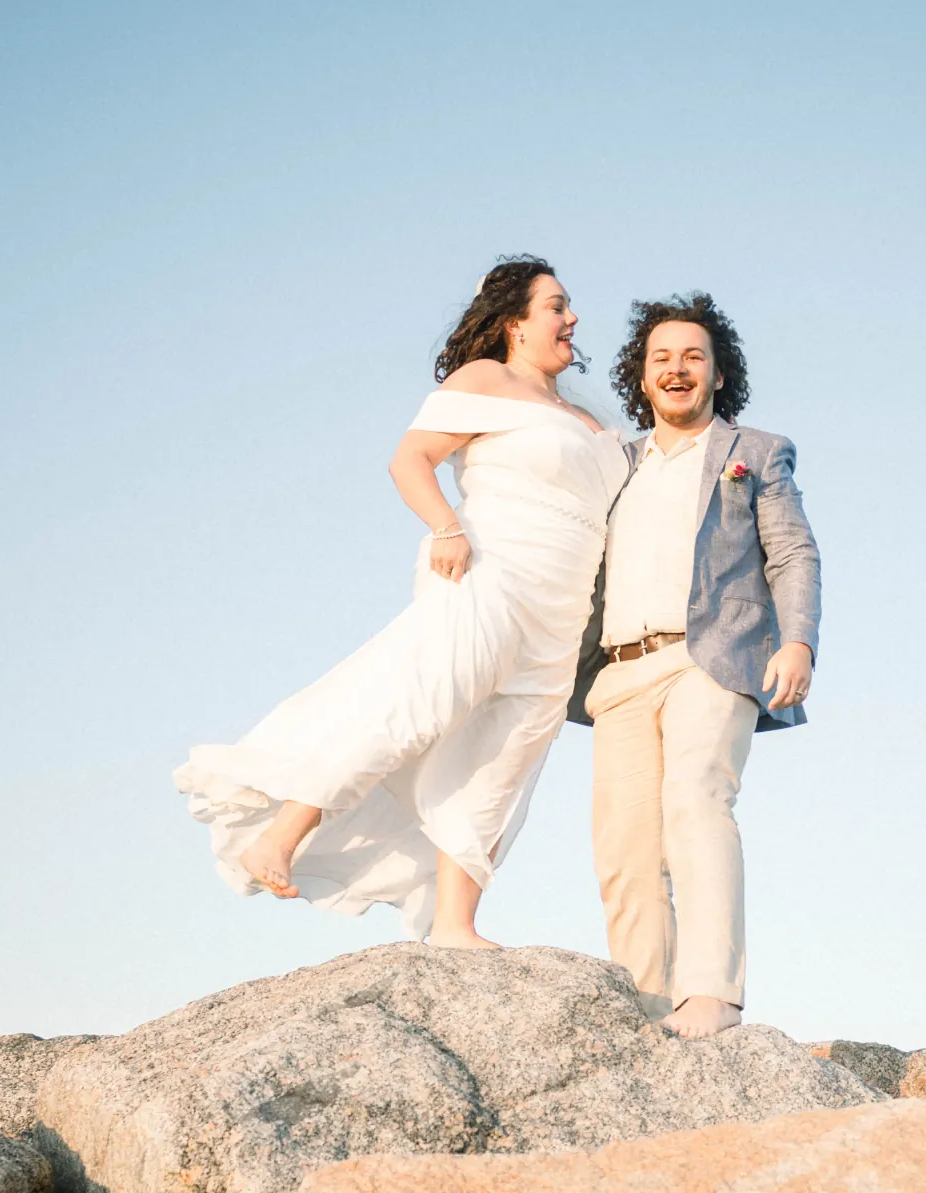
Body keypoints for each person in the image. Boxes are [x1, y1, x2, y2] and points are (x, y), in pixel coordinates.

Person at [174, 257, 628, 947]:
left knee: (502, 759)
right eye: (556, 306)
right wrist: (445, 526)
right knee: (419, 705)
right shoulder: (486, 381)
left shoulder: (587, 417)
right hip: (493, 572)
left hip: (561, 610)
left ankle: (455, 924)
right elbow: (408, 459)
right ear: (514, 322)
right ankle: (282, 834)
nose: (571, 320)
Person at [568, 295, 821, 1038]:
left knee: (696, 803)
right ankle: (648, 1004)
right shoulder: (616, 464)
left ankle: (710, 994)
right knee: (624, 846)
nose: (676, 369)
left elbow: (794, 552)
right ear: (641, 378)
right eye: (661, 359)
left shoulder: (756, 451)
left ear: (716, 373)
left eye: (692, 357)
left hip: (709, 656)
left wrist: (798, 640)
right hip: (617, 671)